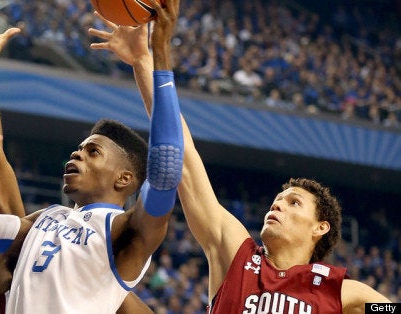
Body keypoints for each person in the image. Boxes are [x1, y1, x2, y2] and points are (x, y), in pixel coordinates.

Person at [89, 14, 393, 314]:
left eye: (293, 203)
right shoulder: (236, 252)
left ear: (320, 227)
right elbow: (181, 153)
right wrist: (144, 61)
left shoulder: (340, 290)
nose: (277, 206)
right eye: (278, 201)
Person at [0, 0, 183, 313]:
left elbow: (166, 171)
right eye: (79, 148)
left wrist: (159, 53)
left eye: (93, 152)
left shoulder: (124, 231)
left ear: (124, 178)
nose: (77, 154)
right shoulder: (44, 221)